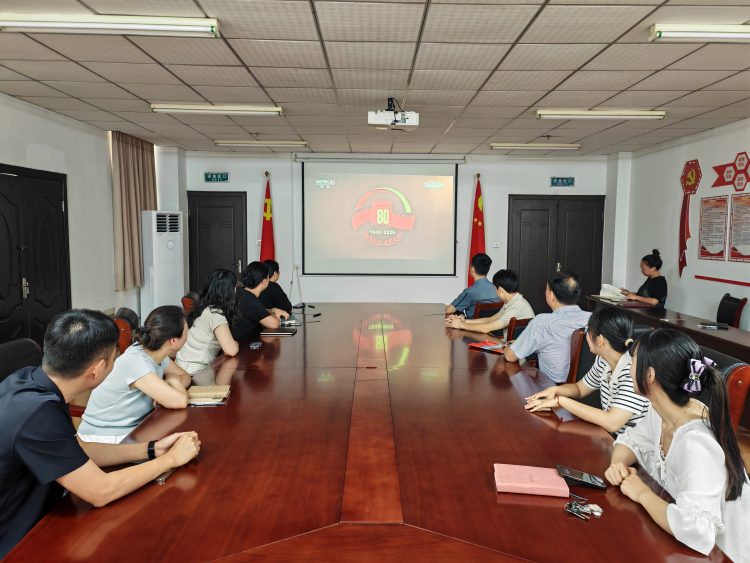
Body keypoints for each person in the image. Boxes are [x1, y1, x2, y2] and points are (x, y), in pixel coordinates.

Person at [0, 309, 200, 558]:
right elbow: (100, 491)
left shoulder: (31, 381)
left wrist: (151, 449)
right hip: (19, 543)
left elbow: (80, 449)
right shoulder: (38, 414)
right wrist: (171, 459)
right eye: (115, 357)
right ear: (97, 369)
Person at [605, 330, 749, 561]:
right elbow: (631, 440)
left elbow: (697, 530)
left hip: (724, 554)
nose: (628, 368)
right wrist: (618, 465)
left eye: (632, 362)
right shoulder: (660, 411)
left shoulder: (696, 442)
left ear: (649, 375)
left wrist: (641, 493)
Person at [524, 308, 649, 435]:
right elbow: (580, 389)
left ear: (600, 340)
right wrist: (555, 390)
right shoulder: (604, 360)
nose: (586, 336)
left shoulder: (633, 371)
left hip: (634, 443)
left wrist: (560, 401)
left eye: (587, 331)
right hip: (612, 437)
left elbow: (612, 422)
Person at [77, 306, 192, 443]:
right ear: (173, 341)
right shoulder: (137, 361)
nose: (188, 336)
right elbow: (180, 401)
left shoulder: (155, 353)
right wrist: (173, 380)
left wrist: (170, 386)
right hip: (105, 437)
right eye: (186, 333)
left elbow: (185, 376)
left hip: (132, 428)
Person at [504, 270, 591, 384]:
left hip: (550, 388)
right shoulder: (593, 319)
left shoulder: (542, 323)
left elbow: (510, 356)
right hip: (587, 387)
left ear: (551, 295)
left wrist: (509, 346)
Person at [176, 269, 240, 375]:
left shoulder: (202, 307)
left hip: (183, 366)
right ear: (232, 290)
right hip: (194, 372)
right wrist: (234, 345)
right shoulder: (215, 314)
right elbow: (231, 350)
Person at [445, 269, 534, 338]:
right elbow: (489, 320)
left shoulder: (517, 306)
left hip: (515, 352)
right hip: (510, 346)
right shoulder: (512, 301)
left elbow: (486, 328)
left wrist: (460, 325)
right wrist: (463, 321)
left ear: (500, 290)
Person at [232, 261, 289, 341]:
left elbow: (256, 312)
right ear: (264, 281)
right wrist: (275, 315)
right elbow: (274, 324)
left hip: (246, 340)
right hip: (244, 344)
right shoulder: (250, 300)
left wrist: (273, 310)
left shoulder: (242, 292)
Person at [445, 253, 500, 319]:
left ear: (473, 269)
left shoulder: (469, 292)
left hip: (472, 325)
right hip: (495, 325)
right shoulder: (497, 289)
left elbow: (448, 310)